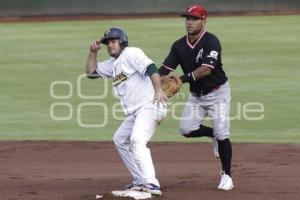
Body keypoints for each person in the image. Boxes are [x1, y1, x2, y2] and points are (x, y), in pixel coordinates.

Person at [159, 5, 234, 190]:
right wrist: (152, 81)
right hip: (196, 97)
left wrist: (182, 79)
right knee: (186, 129)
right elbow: (164, 70)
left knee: (223, 133)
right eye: (188, 18)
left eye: (194, 18)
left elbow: (206, 70)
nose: (190, 22)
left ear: (203, 21)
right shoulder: (178, 45)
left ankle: (226, 176)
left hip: (218, 93)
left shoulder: (211, 41)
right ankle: (212, 135)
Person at [86, 27, 168, 195]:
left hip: (150, 105)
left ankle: (151, 183)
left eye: (113, 41)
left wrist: (158, 90)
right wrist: (93, 52)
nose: (109, 45)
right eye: (108, 42)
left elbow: (151, 68)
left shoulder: (131, 53)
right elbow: (91, 73)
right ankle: (139, 179)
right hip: (137, 113)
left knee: (137, 140)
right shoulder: (113, 64)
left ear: (122, 42)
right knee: (120, 139)